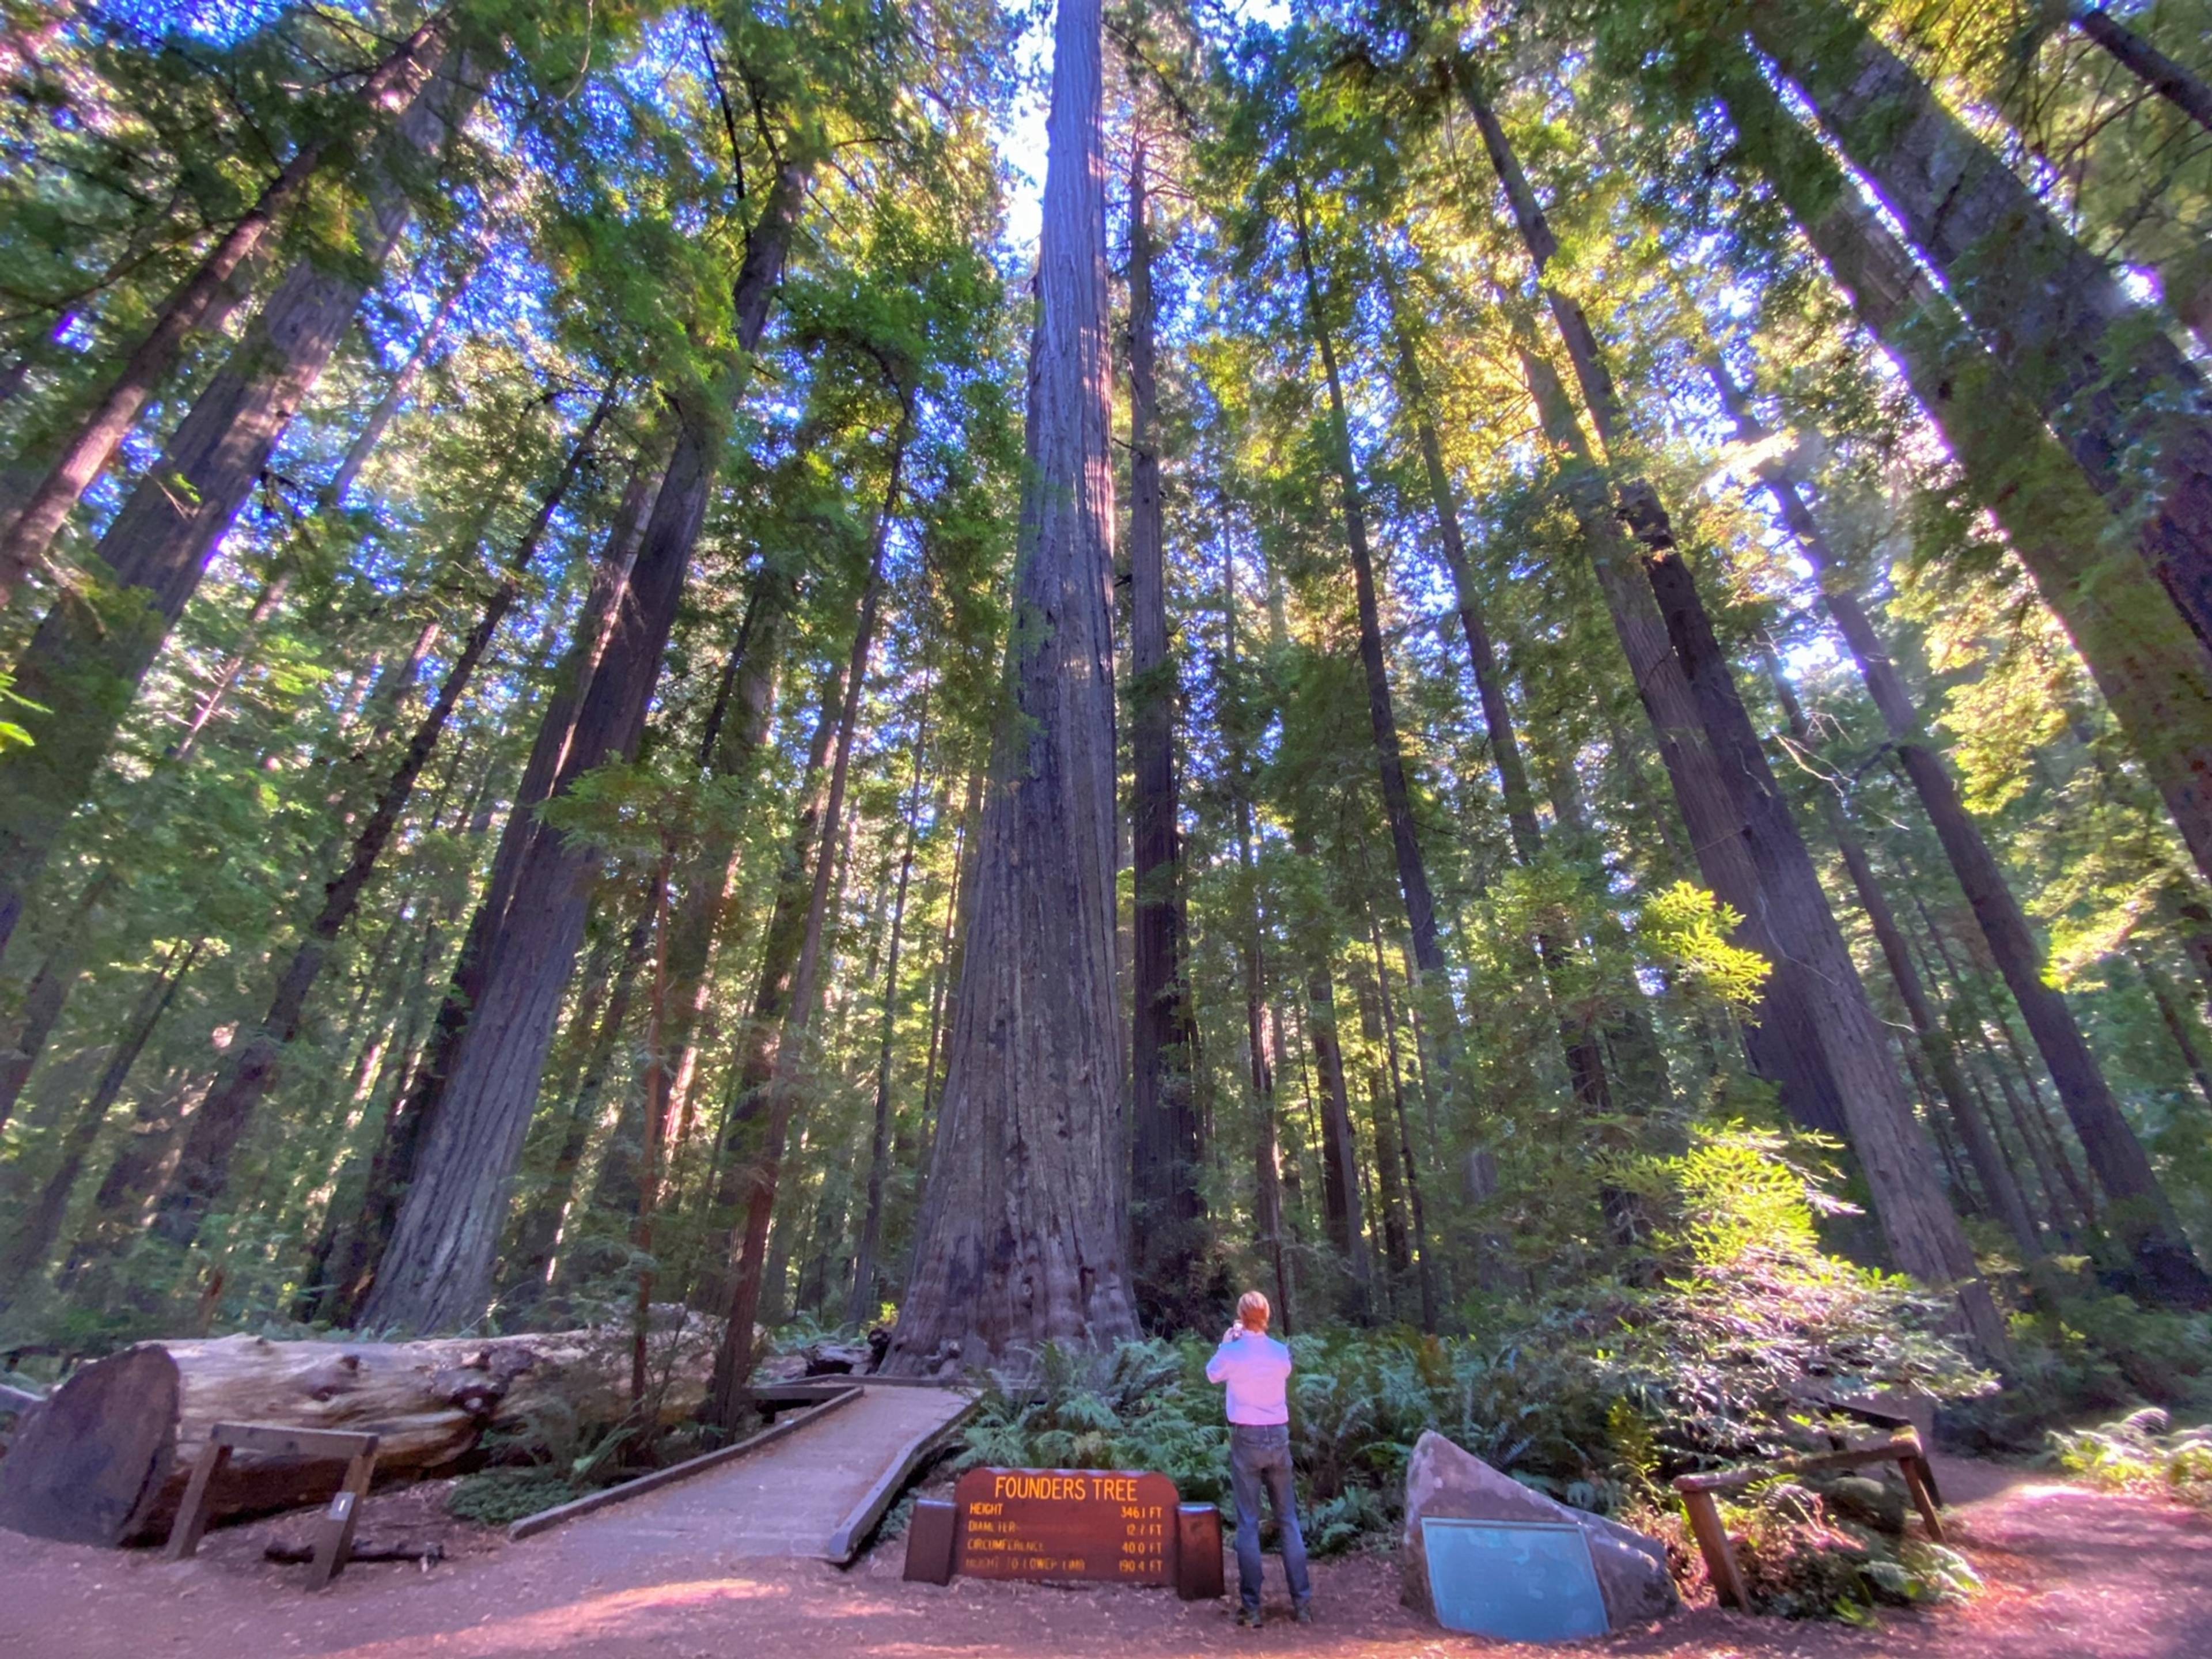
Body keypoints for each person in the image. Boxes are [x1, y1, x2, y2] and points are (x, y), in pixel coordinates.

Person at [1205, 1290, 1312, 1627]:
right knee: (1288, 1519)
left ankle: (1252, 1607)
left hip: (1247, 1437)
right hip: (1278, 1435)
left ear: (1242, 1316)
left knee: (1249, 1521)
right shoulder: (1280, 1353)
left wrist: (1227, 1343)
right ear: (1267, 1316)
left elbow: (1212, 1373)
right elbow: (1284, 1372)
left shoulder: (1233, 1353)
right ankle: (1302, 1604)